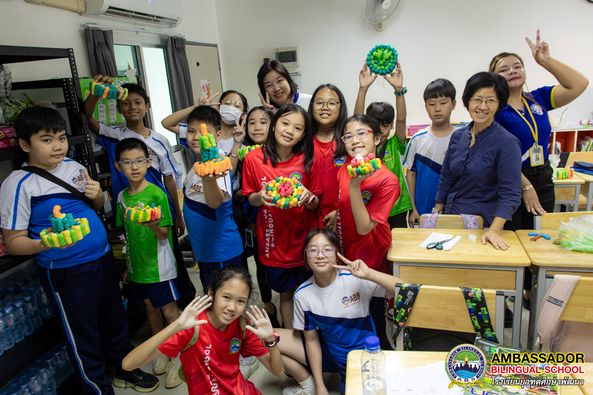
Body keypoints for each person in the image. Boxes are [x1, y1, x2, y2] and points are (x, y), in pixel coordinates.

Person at [0, 106, 158, 394]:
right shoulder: (17, 184)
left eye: (60, 138)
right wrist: (46, 243)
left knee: (114, 319)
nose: (58, 146)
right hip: (66, 271)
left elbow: (95, 208)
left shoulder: (74, 167)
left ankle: (125, 368)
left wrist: (98, 196)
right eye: (46, 140)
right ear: (25, 144)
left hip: (101, 259)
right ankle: (97, 386)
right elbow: (14, 241)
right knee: (82, 332)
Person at [278, 228, 404, 395]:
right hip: (330, 354)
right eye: (313, 250)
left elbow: (405, 291)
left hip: (363, 356)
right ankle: (308, 386)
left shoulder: (355, 279)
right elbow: (311, 340)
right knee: (267, 338)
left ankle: (346, 378)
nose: (320, 255)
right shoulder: (303, 294)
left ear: (337, 253)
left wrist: (370, 274)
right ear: (306, 256)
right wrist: (320, 385)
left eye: (327, 249)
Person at [122, 266, 284, 395]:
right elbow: (128, 364)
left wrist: (270, 340)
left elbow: (277, 370)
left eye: (241, 301)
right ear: (211, 294)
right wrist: (175, 325)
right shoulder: (192, 327)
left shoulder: (242, 325)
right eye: (226, 297)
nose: (232, 308)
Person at [489, 30, 589, 229]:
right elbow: (497, 154)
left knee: (540, 235)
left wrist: (546, 61)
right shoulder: (494, 108)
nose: (512, 71)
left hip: (543, 175)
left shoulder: (538, 98)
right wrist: (525, 186)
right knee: (514, 237)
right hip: (512, 177)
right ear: (494, 78)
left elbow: (579, 84)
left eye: (517, 66)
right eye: (504, 69)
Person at [242, 104, 319, 329]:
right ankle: (291, 337)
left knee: (309, 292)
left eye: (297, 128)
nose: (289, 131)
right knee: (285, 294)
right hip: (274, 242)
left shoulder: (308, 160)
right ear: (274, 124)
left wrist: (309, 197)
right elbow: (249, 198)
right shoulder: (254, 159)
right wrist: (259, 196)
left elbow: (316, 204)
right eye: (285, 123)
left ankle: (311, 337)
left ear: (304, 134)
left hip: (304, 239)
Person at [114, 138, 182, 388]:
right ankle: (160, 348)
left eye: (139, 161)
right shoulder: (121, 198)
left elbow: (164, 233)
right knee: (149, 309)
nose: (134, 167)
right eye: (127, 162)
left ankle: (177, 354)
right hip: (137, 268)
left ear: (149, 162)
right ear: (118, 166)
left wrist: (150, 223)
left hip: (160, 268)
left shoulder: (157, 194)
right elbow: (125, 235)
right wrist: (126, 266)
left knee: (169, 311)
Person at [330, 114, 400, 351]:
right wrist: (336, 213)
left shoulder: (387, 181)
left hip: (373, 256)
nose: (354, 140)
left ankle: (384, 357)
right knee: (354, 311)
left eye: (362, 133)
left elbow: (364, 227)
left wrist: (354, 185)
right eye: (348, 135)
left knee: (375, 315)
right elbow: (345, 202)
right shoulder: (345, 169)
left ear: (377, 138)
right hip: (346, 248)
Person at [84, 76, 184, 236]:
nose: (132, 107)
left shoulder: (160, 141)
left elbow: (169, 180)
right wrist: (97, 91)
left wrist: (178, 216)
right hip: (129, 208)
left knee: (167, 253)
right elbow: (89, 119)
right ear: (119, 109)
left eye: (138, 102)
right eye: (125, 103)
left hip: (158, 208)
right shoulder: (114, 135)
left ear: (147, 107)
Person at [435, 72, 522, 250]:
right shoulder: (458, 136)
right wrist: (437, 209)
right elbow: (446, 175)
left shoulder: (507, 142)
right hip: (451, 219)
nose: (482, 106)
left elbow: (511, 194)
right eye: (477, 99)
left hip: (483, 225)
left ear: (499, 105)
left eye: (490, 100)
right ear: (468, 102)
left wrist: (494, 230)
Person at [180, 106, 244, 294]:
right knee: (212, 302)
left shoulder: (219, 164)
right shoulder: (197, 165)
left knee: (225, 304)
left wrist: (209, 178)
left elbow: (215, 202)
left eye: (203, 132)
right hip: (205, 253)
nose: (196, 137)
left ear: (217, 136)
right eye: (191, 131)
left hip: (222, 252)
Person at [233, 106, 280, 326]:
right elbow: (232, 183)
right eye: (252, 122)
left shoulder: (279, 151)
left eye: (263, 121)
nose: (257, 126)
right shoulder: (242, 152)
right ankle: (257, 304)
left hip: (273, 218)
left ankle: (274, 301)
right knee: (251, 262)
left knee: (269, 261)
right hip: (246, 216)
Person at [354, 62, 412, 228]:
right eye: (376, 124)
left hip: (397, 208)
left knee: (396, 249)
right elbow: (357, 120)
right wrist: (362, 89)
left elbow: (401, 119)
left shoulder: (396, 143)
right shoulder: (363, 147)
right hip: (372, 206)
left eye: (386, 125)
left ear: (391, 126)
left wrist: (399, 89)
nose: (381, 129)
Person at [403, 78, 457, 226]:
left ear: (454, 104)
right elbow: (410, 175)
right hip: (423, 213)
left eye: (443, 102)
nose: (437, 109)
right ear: (426, 106)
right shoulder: (417, 139)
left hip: (456, 213)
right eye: (432, 104)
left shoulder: (463, 138)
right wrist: (412, 208)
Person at [307, 83, 348, 227]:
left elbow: (361, 183)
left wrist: (341, 211)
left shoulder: (348, 141)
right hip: (309, 219)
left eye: (331, 103)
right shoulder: (302, 141)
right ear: (312, 107)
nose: (324, 107)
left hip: (345, 216)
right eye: (319, 103)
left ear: (340, 108)